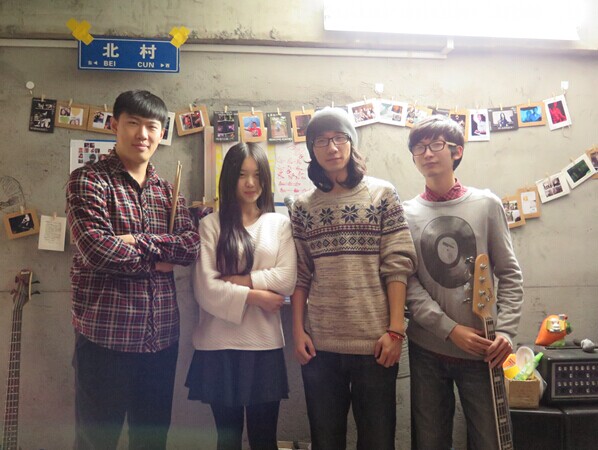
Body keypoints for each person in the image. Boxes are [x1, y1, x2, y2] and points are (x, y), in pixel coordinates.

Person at [66, 90, 200, 450]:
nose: (142, 134)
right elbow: (97, 250)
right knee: (95, 443)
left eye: (152, 126)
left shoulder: (167, 192)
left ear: (161, 133)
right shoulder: (88, 180)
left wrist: (135, 241)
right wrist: (159, 256)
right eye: (133, 123)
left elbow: (190, 246)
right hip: (105, 341)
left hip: (160, 342)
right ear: (115, 125)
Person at [289, 108, 417, 450]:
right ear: (312, 150)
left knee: (378, 441)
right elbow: (301, 274)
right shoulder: (302, 206)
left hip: (376, 343)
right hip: (320, 345)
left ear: (351, 142)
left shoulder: (382, 194)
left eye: (339, 138)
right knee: (325, 441)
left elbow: (398, 265)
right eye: (321, 141)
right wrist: (298, 331)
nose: (332, 147)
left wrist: (395, 331)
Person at [403, 115, 524, 450]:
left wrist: (506, 331)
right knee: (429, 442)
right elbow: (408, 284)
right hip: (428, 348)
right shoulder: (405, 213)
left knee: (490, 440)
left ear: (456, 151)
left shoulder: (486, 204)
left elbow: (510, 273)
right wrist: (449, 329)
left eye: (436, 144)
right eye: (419, 148)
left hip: (484, 350)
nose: (427, 153)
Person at [186, 142, 297, 450]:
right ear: (229, 178)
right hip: (218, 345)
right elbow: (205, 289)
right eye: (242, 175)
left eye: (257, 175)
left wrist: (239, 281)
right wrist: (256, 297)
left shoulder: (279, 224)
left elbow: (287, 279)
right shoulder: (210, 225)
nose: (250, 183)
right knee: (227, 440)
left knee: (265, 440)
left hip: (264, 345)